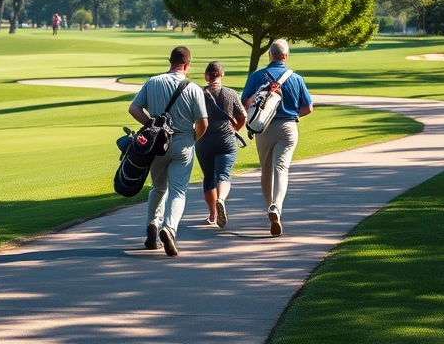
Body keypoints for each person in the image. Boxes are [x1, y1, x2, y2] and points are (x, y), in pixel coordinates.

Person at [128, 46, 208, 256]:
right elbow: (203, 122)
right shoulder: (194, 88)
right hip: (183, 142)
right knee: (178, 190)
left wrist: (152, 126)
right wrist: (194, 139)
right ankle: (169, 228)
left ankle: (152, 226)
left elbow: (134, 109)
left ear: (170, 61)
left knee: (158, 188)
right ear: (187, 65)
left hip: (156, 145)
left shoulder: (153, 82)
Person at [241, 39, 312, 237]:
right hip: (288, 127)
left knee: (266, 170)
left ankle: (268, 209)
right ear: (286, 56)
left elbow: (245, 102)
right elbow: (308, 107)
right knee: (281, 168)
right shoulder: (296, 78)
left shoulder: (257, 76)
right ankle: (277, 207)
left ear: (269, 55)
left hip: (263, 128)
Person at [195, 61, 246, 228]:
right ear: (221, 74)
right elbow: (243, 116)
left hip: (204, 140)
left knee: (208, 177)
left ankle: (212, 215)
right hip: (226, 139)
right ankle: (221, 199)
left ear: (206, 76)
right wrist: (235, 128)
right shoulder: (231, 94)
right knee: (223, 175)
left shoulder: (199, 94)